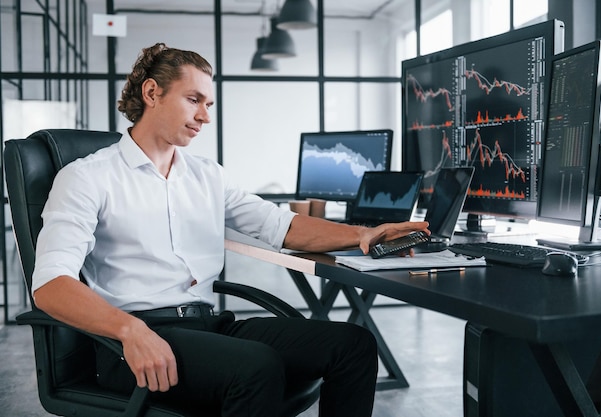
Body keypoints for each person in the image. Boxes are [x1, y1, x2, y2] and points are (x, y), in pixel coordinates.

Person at [31, 43, 429, 417]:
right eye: (193, 100)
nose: (205, 116)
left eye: (208, 104)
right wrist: (129, 330)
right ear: (152, 93)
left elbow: (280, 226)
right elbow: (51, 284)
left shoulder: (206, 175)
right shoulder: (87, 177)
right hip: (131, 340)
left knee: (353, 345)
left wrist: (361, 235)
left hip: (207, 324)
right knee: (256, 366)